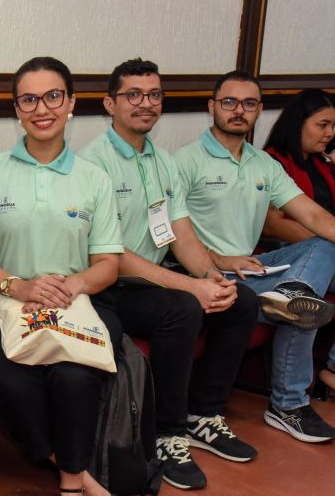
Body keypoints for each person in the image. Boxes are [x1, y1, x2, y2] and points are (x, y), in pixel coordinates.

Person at [79, 59, 258, 491]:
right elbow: (111, 253)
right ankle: (166, 434)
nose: (146, 104)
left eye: (155, 95)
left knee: (240, 300)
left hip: (154, 277)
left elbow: (179, 232)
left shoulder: (163, 161)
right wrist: (189, 286)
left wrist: (212, 277)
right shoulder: (92, 163)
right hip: (107, 285)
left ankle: (204, 415)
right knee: (179, 307)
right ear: (110, 103)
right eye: (133, 95)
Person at [0, 56, 123, 496]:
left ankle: (70, 483)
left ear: (71, 103)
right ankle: (80, 471)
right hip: (4, 302)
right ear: (16, 109)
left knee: (74, 376)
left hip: (78, 302)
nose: (41, 108)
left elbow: (108, 263)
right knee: (13, 380)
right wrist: (20, 286)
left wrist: (68, 287)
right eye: (28, 99)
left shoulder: (95, 179)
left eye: (53, 96)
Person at [174, 71, 335, 444]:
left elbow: (313, 216)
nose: (238, 110)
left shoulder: (264, 164)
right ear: (212, 107)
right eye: (229, 102)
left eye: (248, 104)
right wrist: (220, 258)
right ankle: (288, 406)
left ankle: (294, 294)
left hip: (258, 272)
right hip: (209, 274)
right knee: (301, 305)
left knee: (323, 245)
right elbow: (169, 232)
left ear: (259, 111)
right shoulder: (185, 161)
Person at [260, 89, 335, 397]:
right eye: (323, 125)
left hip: (327, 246)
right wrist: (322, 244)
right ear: (298, 123)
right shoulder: (273, 162)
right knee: (325, 253)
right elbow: (273, 223)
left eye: (333, 126)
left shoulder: (320, 162)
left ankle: (332, 371)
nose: (330, 133)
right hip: (285, 251)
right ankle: (293, 396)